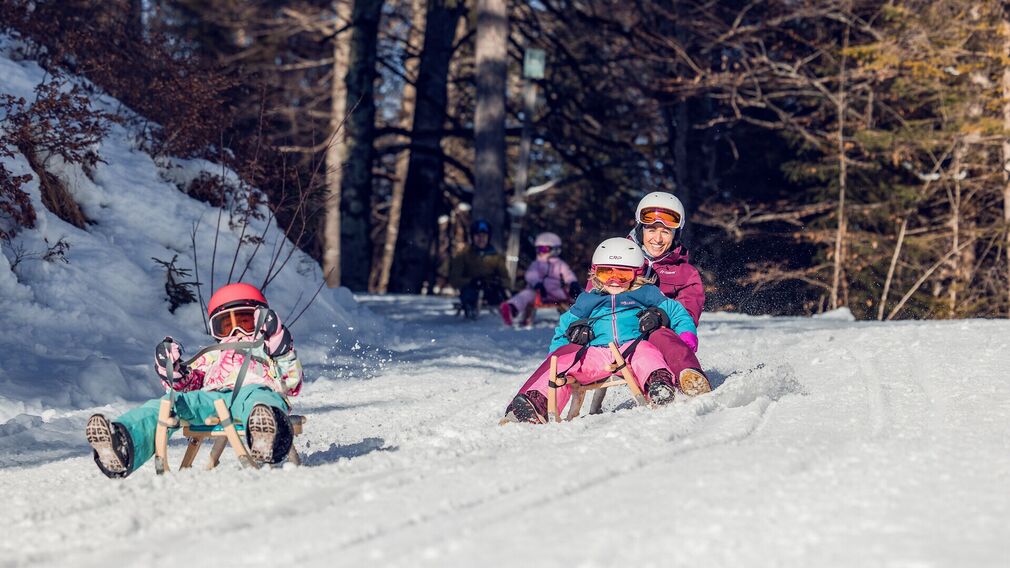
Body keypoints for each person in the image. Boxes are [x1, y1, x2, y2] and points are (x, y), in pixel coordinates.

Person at [84, 283, 304, 478]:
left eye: (245, 322)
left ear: (261, 320)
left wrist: (278, 341)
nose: (236, 332)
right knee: (170, 402)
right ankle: (123, 442)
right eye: (226, 326)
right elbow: (190, 385)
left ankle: (268, 435)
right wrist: (172, 369)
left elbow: (291, 382)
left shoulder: (269, 349)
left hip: (254, 392)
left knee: (259, 400)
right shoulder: (213, 354)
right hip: (213, 398)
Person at [501, 238, 698, 424]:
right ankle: (537, 402)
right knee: (565, 363)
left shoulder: (645, 293)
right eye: (606, 274)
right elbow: (564, 327)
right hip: (597, 353)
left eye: (623, 275)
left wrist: (686, 336)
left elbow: (676, 311)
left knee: (647, 352)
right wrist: (558, 351)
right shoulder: (588, 300)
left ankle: (658, 385)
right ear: (596, 273)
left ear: (637, 274)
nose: (614, 280)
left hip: (632, 347)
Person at [499, 232, 581, 327]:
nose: (540, 252)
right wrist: (537, 283)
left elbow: (568, 274)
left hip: (555, 292)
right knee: (526, 295)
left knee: (574, 295)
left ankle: (581, 311)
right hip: (539, 292)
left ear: (555, 250)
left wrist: (573, 283)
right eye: (539, 249)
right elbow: (531, 275)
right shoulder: (536, 264)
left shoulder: (559, 264)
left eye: (544, 249)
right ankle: (511, 308)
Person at [449, 219, 510, 318]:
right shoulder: (464, 255)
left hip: (491, 292)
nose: (481, 239)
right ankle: (470, 312)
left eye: (484, 236)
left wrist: (497, 282)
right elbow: (454, 279)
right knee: (469, 294)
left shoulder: (496, 256)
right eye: (478, 236)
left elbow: (506, 279)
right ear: (472, 237)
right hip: (471, 291)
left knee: (501, 296)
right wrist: (471, 281)